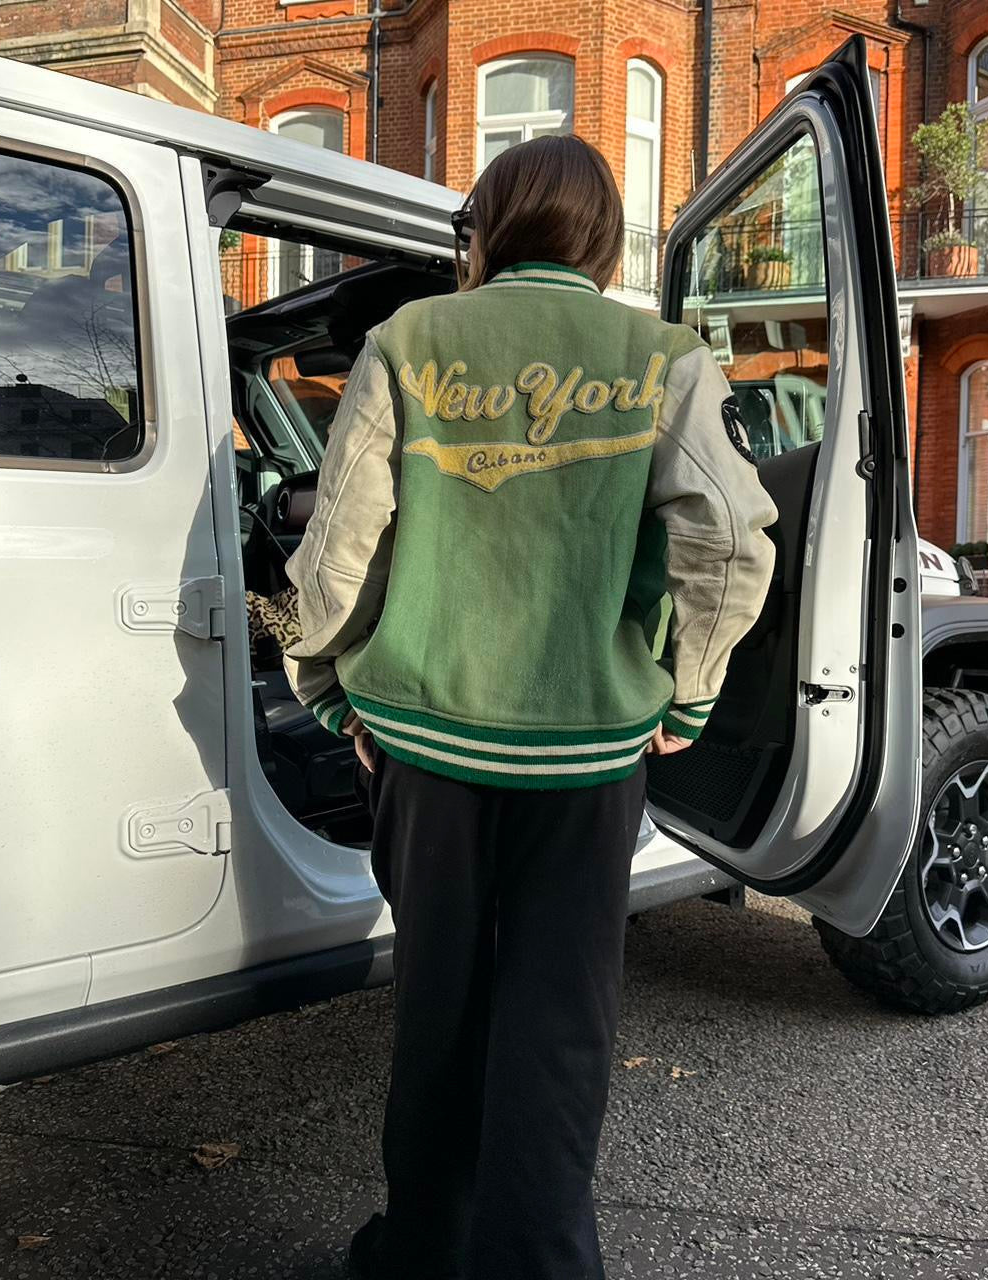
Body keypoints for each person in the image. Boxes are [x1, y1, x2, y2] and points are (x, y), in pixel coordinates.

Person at [283, 134, 776, 1280]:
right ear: (602, 241)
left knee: (438, 1008)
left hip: (427, 747)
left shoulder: (408, 342)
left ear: (488, 227)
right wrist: (685, 693)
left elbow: (340, 541)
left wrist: (328, 686)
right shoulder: (662, 355)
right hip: (585, 756)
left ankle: (421, 1249)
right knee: (559, 1024)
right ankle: (541, 1260)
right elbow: (733, 538)